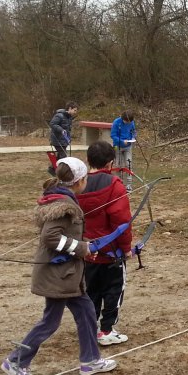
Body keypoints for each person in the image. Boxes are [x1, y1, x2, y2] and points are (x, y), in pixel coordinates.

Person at [1, 157, 117, 375]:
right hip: (58, 275)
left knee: (86, 313)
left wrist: (84, 247)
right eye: (85, 179)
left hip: (67, 274)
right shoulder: (65, 206)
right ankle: (16, 361)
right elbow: (51, 237)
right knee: (50, 321)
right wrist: (81, 248)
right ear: (79, 181)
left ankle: (90, 360)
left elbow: (66, 235)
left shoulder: (61, 199)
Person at [80, 141, 133, 346]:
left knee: (91, 290)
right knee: (113, 290)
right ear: (110, 163)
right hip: (111, 254)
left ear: (88, 160)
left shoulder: (78, 184)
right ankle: (106, 330)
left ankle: (91, 328)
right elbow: (122, 221)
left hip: (87, 251)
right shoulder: (114, 185)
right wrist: (126, 248)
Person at [110, 110, 137, 189]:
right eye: (127, 121)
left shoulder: (131, 122)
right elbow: (113, 135)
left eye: (129, 122)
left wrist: (133, 137)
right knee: (118, 165)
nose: (128, 123)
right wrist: (121, 141)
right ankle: (119, 183)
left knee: (129, 164)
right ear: (123, 119)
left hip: (128, 147)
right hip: (118, 146)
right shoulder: (116, 122)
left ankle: (129, 185)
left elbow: (133, 131)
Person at [49, 101, 79, 168]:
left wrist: (68, 139)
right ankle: (62, 171)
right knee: (64, 157)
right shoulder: (59, 115)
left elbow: (68, 130)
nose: (75, 112)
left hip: (64, 141)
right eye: (75, 110)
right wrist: (61, 130)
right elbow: (52, 124)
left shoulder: (69, 118)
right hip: (57, 140)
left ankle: (53, 169)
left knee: (60, 157)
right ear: (70, 108)